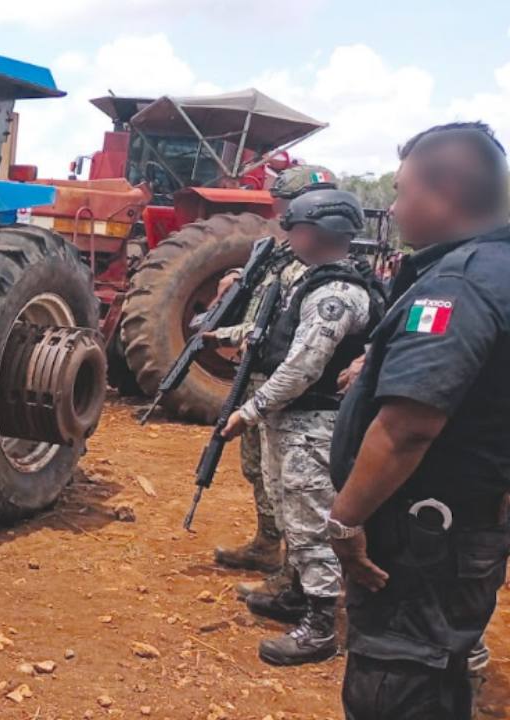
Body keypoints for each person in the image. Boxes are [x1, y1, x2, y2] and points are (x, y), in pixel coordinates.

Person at [329, 122, 510, 719]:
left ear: (445, 194)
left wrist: (346, 521)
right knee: (438, 673)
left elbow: (410, 426)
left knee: (397, 683)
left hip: (424, 540)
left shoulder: (457, 285)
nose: (397, 208)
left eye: (403, 192)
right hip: (464, 526)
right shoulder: (495, 269)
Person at [218, 188, 382, 666]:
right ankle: (295, 593)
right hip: (292, 420)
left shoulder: (335, 294)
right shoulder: (311, 281)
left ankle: (320, 624)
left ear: (322, 232)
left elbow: (303, 367)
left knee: (312, 520)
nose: (289, 235)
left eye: (298, 227)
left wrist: (250, 410)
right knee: (291, 511)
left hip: (314, 424)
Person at [210, 166, 338, 585]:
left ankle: (293, 568)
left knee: (292, 480)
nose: (281, 215)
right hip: (257, 370)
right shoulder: (281, 254)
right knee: (258, 468)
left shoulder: (321, 268)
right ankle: (269, 543)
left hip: (289, 386)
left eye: (288, 208)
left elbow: (291, 332)